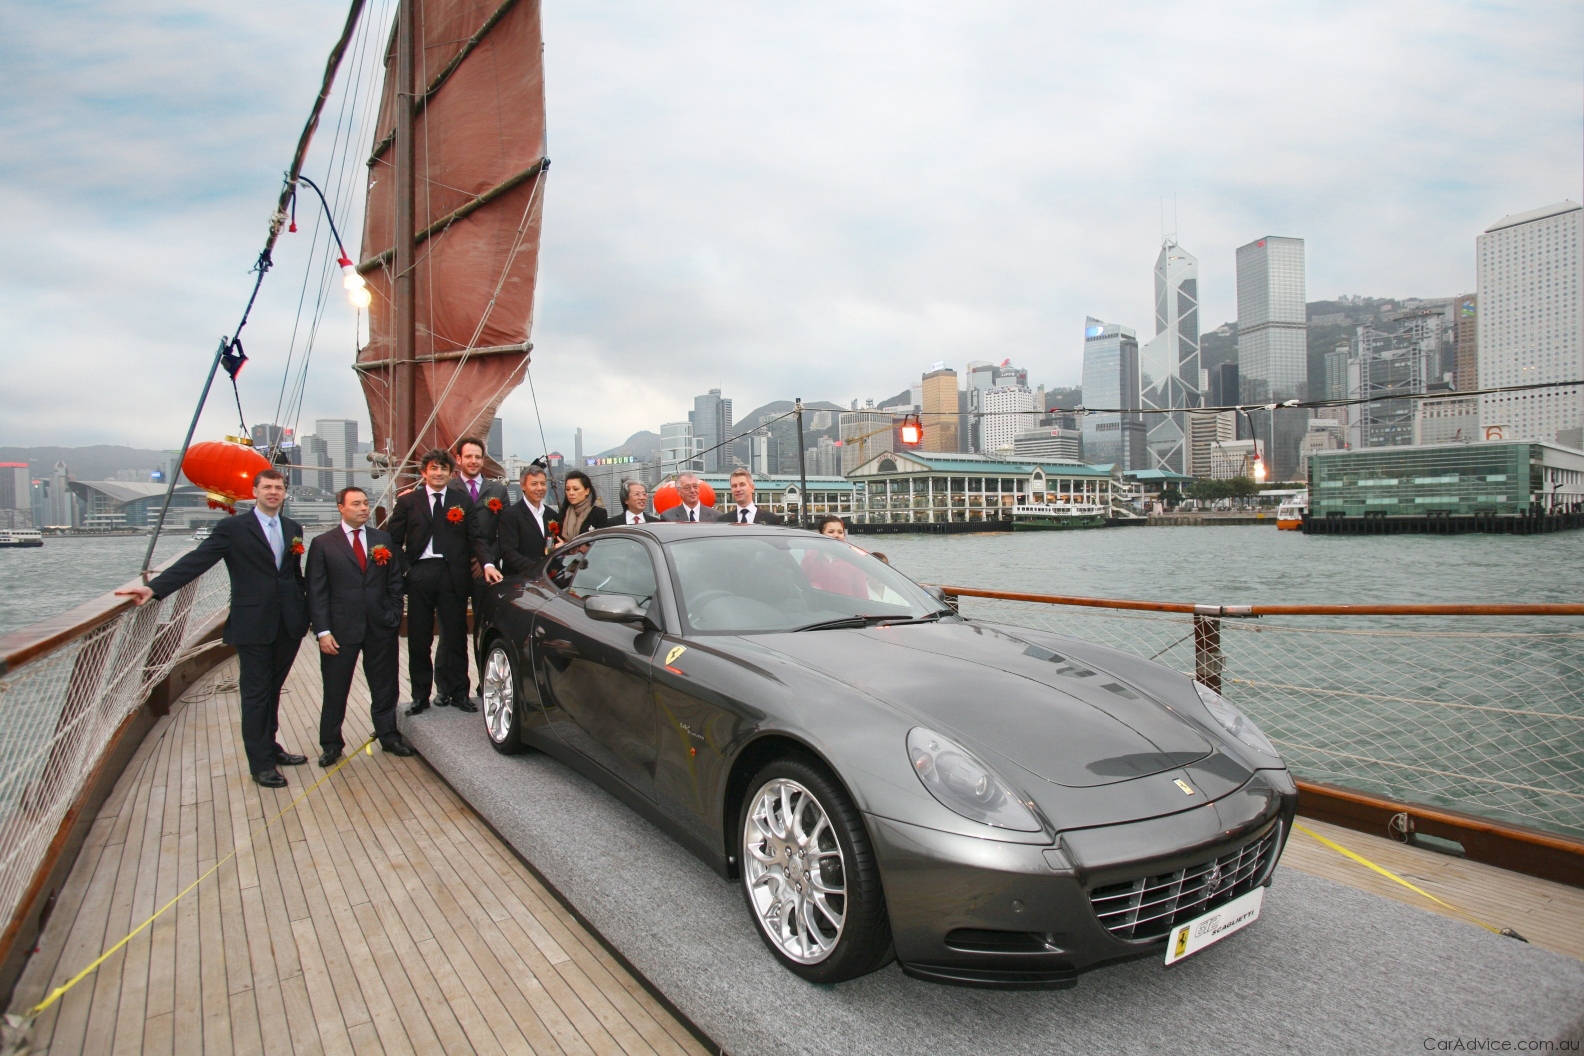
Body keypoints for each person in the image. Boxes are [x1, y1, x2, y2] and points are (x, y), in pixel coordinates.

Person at [114, 468, 309, 788]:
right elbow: (199, 560)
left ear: (285, 493)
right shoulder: (233, 528)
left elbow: (293, 575)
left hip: (289, 622)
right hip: (252, 624)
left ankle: (271, 747)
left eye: (279, 487)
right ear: (255, 492)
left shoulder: (292, 528)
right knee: (256, 693)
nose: (273, 492)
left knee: (273, 690)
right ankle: (260, 763)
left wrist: (307, 613)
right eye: (267, 487)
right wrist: (156, 589)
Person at [306, 486, 413, 765]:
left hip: (380, 626)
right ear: (340, 507)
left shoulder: (383, 539)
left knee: (385, 685)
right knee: (336, 688)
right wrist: (323, 631)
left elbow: (394, 581)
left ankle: (388, 735)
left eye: (366, 503)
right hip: (340, 630)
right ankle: (331, 744)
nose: (364, 508)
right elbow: (316, 591)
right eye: (356, 504)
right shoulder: (323, 543)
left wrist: (392, 613)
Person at [386, 450, 477, 716]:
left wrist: (487, 564)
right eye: (433, 468)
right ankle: (420, 695)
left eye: (444, 469)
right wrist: (408, 569)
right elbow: (392, 539)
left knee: (456, 636)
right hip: (420, 573)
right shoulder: (408, 502)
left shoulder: (462, 501)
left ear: (451, 473)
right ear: (424, 472)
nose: (439, 473)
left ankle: (460, 692)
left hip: (452, 575)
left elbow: (475, 537)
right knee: (419, 638)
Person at [454, 436, 509, 658]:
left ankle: (482, 681)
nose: (473, 461)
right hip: (455, 567)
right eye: (468, 456)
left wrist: (486, 559)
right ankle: (450, 687)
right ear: (458, 459)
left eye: (478, 457)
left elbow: (504, 533)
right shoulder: (449, 488)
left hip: (486, 569)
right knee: (452, 628)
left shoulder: (498, 490)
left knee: (484, 626)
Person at [496, 463, 555, 574]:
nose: (539, 488)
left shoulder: (551, 514)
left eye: (543, 484)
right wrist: (537, 568)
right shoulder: (510, 514)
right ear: (523, 485)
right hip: (519, 579)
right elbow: (508, 552)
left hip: (547, 579)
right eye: (534, 484)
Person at [802, 515, 868, 598]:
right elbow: (801, 585)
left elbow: (862, 593)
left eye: (840, 532)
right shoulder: (810, 557)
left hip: (848, 608)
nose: (836, 535)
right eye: (831, 532)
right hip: (818, 608)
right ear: (821, 535)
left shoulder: (855, 560)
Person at [557, 469, 608, 541]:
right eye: (567, 489)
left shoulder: (599, 514)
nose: (571, 493)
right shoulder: (563, 513)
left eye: (575, 489)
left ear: (587, 491)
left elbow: (602, 542)